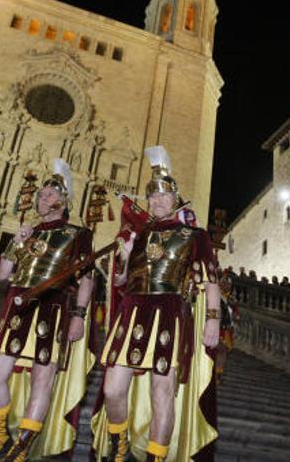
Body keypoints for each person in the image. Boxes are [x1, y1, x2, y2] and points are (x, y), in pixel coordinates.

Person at [92, 145, 221, 462]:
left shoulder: (195, 235)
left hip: (169, 313)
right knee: (112, 389)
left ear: (175, 198)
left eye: (164, 195)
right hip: (133, 311)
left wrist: (213, 320)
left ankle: (156, 458)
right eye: (152, 196)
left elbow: (210, 280)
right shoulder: (138, 235)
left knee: (162, 392)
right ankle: (119, 444)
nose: (157, 200)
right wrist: (123, 258)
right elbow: (122, 283)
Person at [0, 159, 95, 462]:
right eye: (41, 195)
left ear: (64, 201)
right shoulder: (30, 233)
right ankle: (1, 432)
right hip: (18, 308)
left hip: (52, 310)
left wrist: (79, 315)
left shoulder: (77, 234)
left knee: (42, 379)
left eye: (50, 195)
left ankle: (22, 446)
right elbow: (2, 274)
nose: (43, 199)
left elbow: (87, 278)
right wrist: (16, 243)